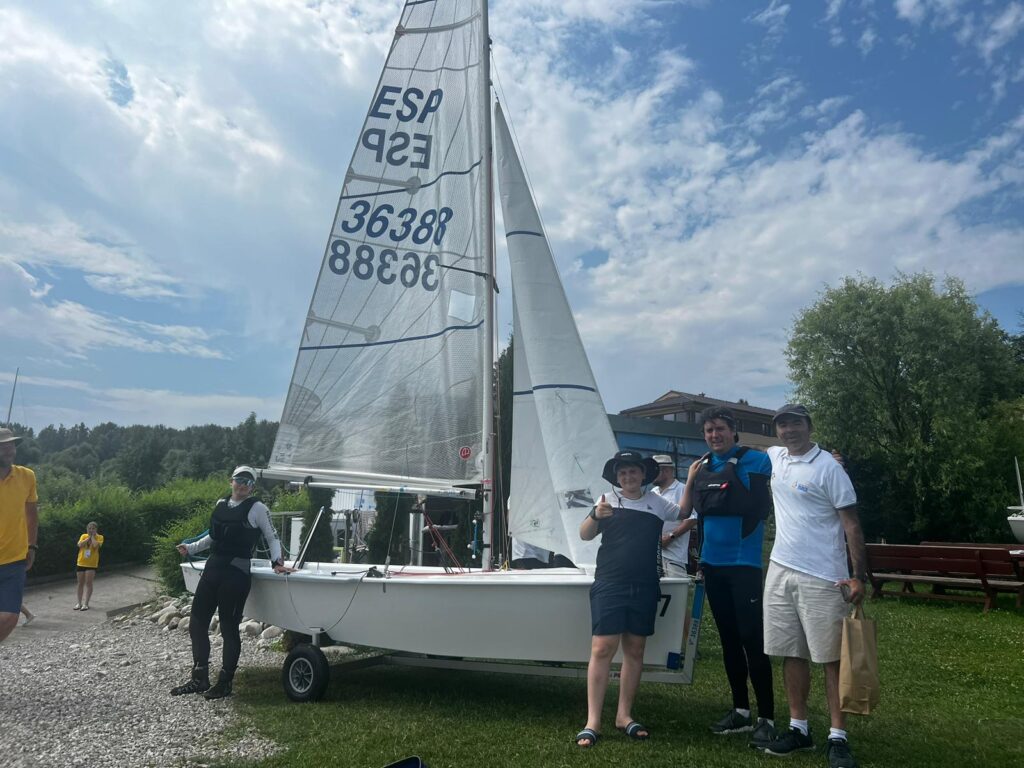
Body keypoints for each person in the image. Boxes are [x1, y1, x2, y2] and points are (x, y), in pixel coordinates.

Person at [759, 404, 866, 768]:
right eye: (783, 424)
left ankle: (838, 737)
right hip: (780, 570)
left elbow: (851, 524)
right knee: (791, 652)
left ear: (809, 426)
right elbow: (746, 451)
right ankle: (799, 728)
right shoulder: (776, 457)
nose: (789, 430)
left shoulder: (830, 468)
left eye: (795, 423)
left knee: (831, 658)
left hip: (823, 576)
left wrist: (858, 576)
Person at [678, 406, 777, 747]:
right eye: (708, 430)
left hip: (743, 565)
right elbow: (693, 513)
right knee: (729, 641)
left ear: (733, 431)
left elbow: (763, 503)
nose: (714, 435)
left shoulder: (757, 461)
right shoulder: (702, 466)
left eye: (719, 428)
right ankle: (741, 710)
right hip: (713, 565)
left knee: (753, 640)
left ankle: (766, 718)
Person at [574, 451, 682, 748]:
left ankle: (624, 716)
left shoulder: (657, 503)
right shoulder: (606, 500)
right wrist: (595, 515)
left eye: (633, 471)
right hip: (610, 583)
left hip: (645, 585)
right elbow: (584, 534)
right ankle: (593, 721)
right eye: (622, 473)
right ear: (616, 476)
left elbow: (684, 512)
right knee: (602, 648)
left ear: (643, 474)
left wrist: (695, 477)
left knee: (635, 649)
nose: (628, 477)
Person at [172, 465, 292, 699]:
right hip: (213, 569)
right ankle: (199, 678)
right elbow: (213, 536)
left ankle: (225, 683)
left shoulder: (258, 508)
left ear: (252, 487)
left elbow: (272, 536)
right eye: (239, 480)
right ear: (231, 481)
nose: (243, 485)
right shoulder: (221, 504)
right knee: (197, 623)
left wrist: (277, 563)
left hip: (236, 573)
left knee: (228, 628)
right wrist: (191, 548)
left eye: (248, 482)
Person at [0, 427, 38, 643]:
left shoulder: (27, 476)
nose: (9, 450)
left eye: (11, 445)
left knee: (10, 617)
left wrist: (32, 546)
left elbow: (32, 513)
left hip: (14, 559)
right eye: (3, 446)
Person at [650, 455, 697, 576]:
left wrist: (670, 537)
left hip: (674, 556)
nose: (651, 474)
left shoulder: (682, 489)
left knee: (675, 586)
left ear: (666, 470)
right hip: (653, 555)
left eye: (654, 470)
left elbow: (693, 518)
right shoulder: (653, 492)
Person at [74, 521, 103, 610]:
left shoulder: (100, 537)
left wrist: (93, 537)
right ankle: (79, 603)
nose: (91, 530)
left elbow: (95, 545)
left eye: (93, 528)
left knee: (88, 583)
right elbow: (79, 544)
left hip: (91, 564)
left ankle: (86, 604)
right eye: (89, 528)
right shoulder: (83, 536)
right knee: (80, 583)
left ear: (96, 529)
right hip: (81, 562)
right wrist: (88, 538)